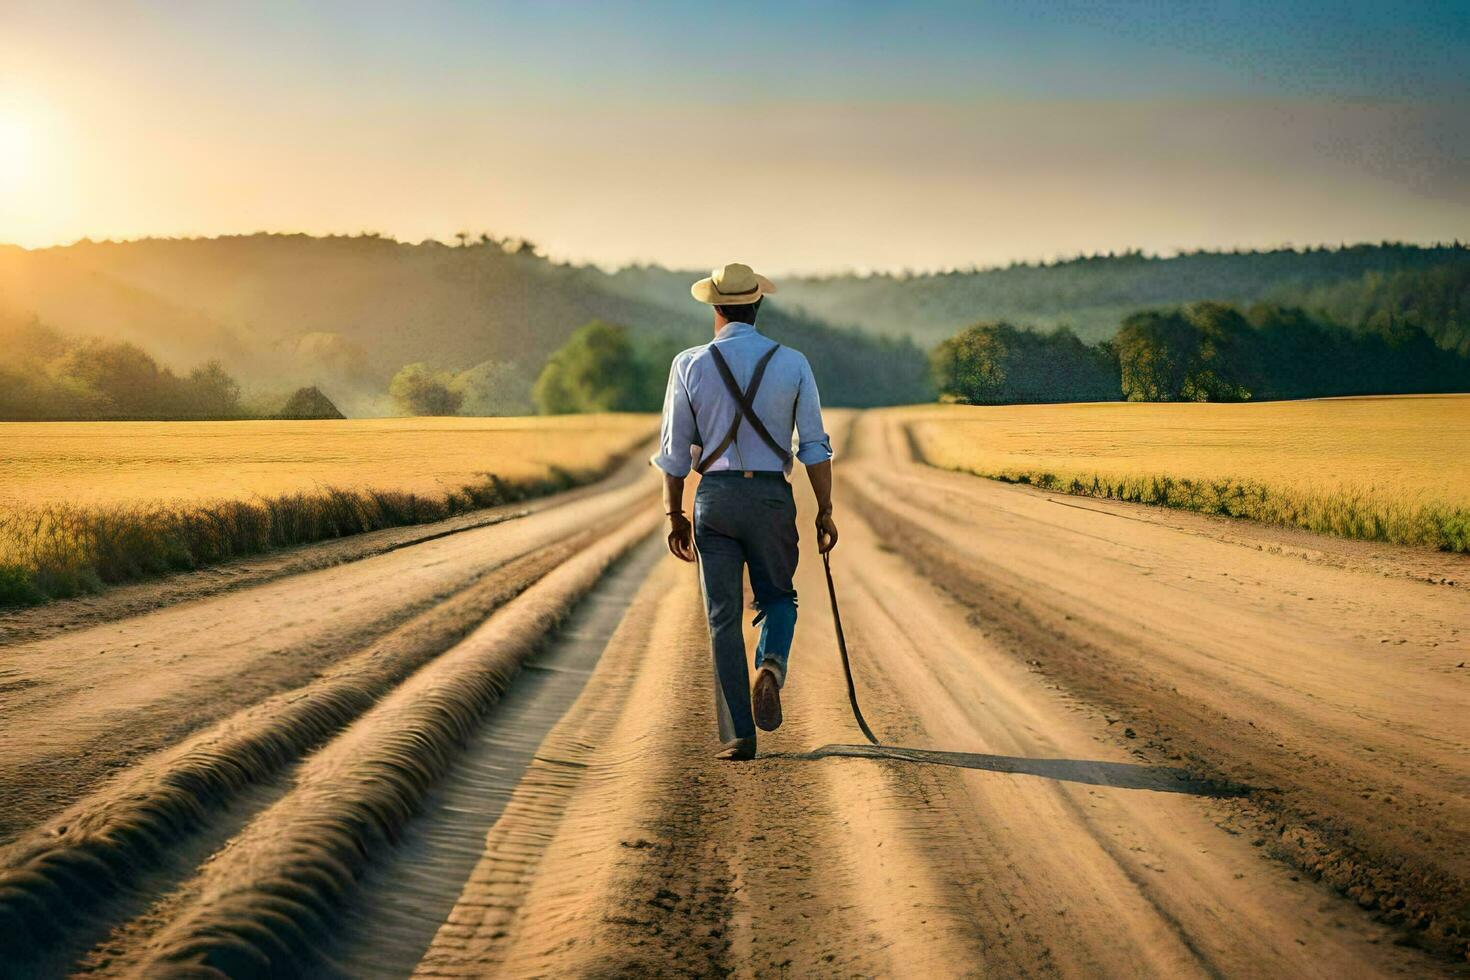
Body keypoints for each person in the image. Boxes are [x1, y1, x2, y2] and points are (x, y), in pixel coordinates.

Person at [652, 262, 838, 761]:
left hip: (714, 498)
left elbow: (674, 453)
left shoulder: (688, 364)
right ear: (758, 305)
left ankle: (739, 736)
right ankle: (771, 666)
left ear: (715, 308)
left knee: (722, 618)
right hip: (772, 498)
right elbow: (814, 447)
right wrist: (825, 509)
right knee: (779, 596)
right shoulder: (793, 362)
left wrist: (674, 516)